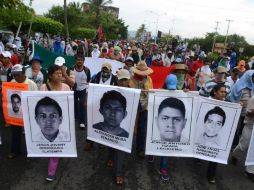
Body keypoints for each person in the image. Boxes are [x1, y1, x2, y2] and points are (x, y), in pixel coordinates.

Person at [40, 64, 70, 182]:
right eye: (56, 73)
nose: (59, 75)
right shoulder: (43, 87)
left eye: (60, 73)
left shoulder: (66, 87)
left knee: (56, 146)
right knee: (51, 144)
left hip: (61, 120)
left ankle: (51, 172)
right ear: (50, 75)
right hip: (48, 122)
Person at [9, 64, 38, 159]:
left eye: (17, 74)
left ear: (23, 73)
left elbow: (36, 99)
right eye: (14, 75)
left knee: (30, 133)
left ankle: (33, 152)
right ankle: (15, 151)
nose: (15, 77)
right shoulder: (12, 82)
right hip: (16, 114)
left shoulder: (32, 84)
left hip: (28, 113)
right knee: (15, 133)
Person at [129, 61, 153, 158]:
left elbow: (151, 91)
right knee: (130, 128)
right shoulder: (130, 80)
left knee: (142, 129)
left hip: (145, 107)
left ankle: (140, 149)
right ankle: (125, 146)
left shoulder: (149, 80)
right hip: (133, 106)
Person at [231, 94, 254, 182]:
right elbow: (248, 113)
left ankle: (250, 171)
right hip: (250, 125)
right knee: (243, 145)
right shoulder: (253, 98)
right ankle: (235, 154)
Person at [70, 55, 91, 129]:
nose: (79, 61)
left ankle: (82, 122)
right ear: (75, 60)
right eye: (78, 59)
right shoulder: (71, 68)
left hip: (83, 90)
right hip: (74, 90)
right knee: (74, 105)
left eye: (81, 60)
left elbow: (88, 80)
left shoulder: (87, 70)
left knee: (82, 106)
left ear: (83, 61)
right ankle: (74, 119)